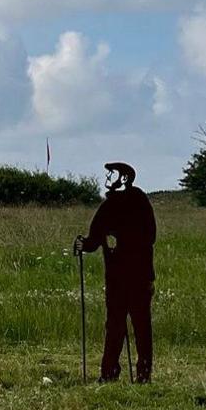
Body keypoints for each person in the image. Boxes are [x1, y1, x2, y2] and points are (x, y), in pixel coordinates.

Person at [75, 162, 156, 383]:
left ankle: (143, 374)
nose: (108, 177)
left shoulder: (138, 201)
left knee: (141, 325)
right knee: (114, 326)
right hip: (116, 278)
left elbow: (149, 236)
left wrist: (120, 239)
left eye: (112, 174)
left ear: (124, 178)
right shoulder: (108, 206)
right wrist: (85, 244)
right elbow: (94, 238)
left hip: (138, 275)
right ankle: (109, 372)